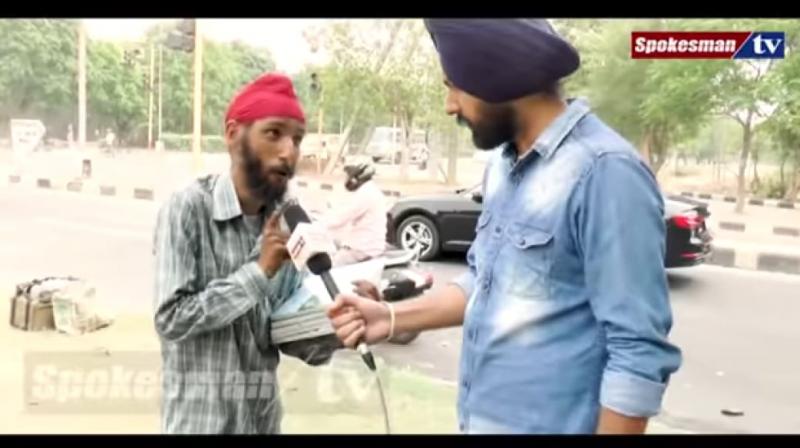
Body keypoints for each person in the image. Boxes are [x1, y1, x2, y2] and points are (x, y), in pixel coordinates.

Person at [327, 19, 682, 434]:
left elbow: (636, 351)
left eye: (455, 86)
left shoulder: (605, 172)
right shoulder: (502, 165)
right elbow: (485, 282)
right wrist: (389, 317)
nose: (450, 106)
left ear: (497, 76)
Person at [153, 73, 340, 434]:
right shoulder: (188, 209)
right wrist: (259, 272)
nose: (289, 152)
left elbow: (285, 334)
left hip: (261, 423)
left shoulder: (288, 221)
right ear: (233, 134)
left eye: (297, 139)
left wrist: (337, 327)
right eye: (274, 133)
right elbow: (172, 319)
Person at [322, 162, 388, 266]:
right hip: (370, 245)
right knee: (337, 243)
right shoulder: (371, 190)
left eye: (348, 176)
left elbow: (340, 219)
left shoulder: (365, 194)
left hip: (361, 250)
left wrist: (316, 227)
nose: (346, 179)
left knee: (329, 269)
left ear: (356, 178)